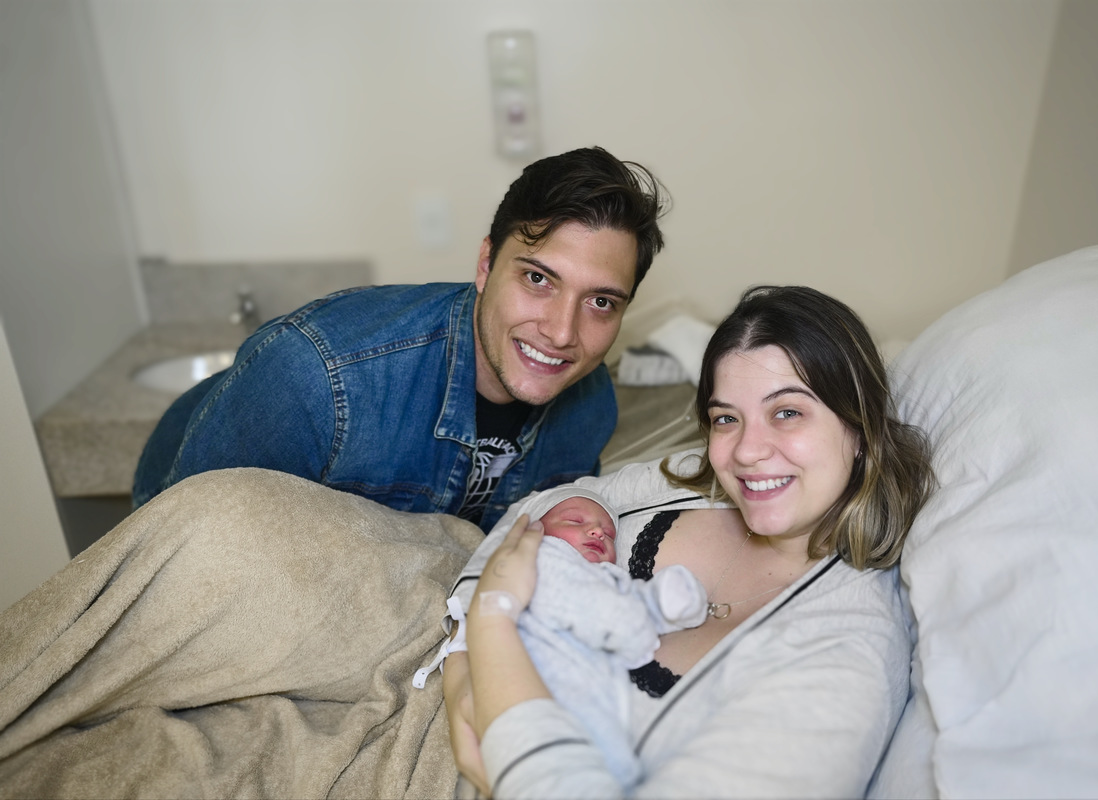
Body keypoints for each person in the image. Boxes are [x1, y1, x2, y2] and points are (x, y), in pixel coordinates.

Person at [442, 285, 935, 797]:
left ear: (858, 428)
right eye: (727, 419)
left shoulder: (845, 658)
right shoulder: (693, 482)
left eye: (787, 412)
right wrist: (460, 668)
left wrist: (492, 624)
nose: (746, 452)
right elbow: (547, 504)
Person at [131, 146, 669, 530]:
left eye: (601, 302)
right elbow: (182, 549)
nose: (561, 332)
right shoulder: (317, 374)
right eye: (537, 279)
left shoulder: (591, 406)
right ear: (486, 264)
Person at [419, 486, 707, 791]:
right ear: (534, 531)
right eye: (574, 521)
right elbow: (595, 611)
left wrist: (664, 602)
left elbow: (625, 601)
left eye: (610, 534)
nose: (598, 531)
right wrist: (634, 625)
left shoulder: (606, 578)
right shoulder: (544, 557)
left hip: (589, 701)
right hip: (534, 688)